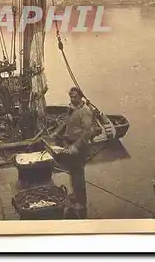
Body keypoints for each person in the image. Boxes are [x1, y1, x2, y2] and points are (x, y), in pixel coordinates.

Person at [51, 86, 95, 217]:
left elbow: (88, 131)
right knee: (72, 172)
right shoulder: (71, 108)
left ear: (81, 97)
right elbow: (66, 123)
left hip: (79, 146)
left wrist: (76, 147)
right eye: (71, 96)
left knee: (78, 176)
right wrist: (57, 132)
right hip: (69, 143)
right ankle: (75, 195)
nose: (72, 98)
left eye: (75, 96)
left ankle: (82, 203)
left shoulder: (85, 111)